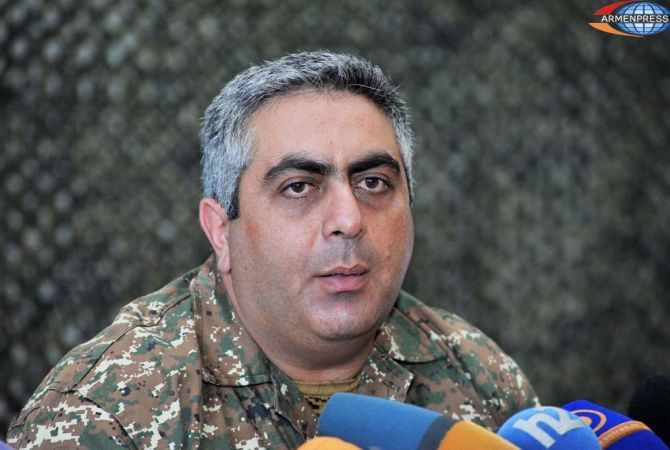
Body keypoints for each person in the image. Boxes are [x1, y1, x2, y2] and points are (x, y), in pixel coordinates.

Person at [7, 51, 538, 449]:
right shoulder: (105, 412)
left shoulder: (478, 374)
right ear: (221, 230)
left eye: (373, 183)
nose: (348, 219)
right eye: (299, 187)